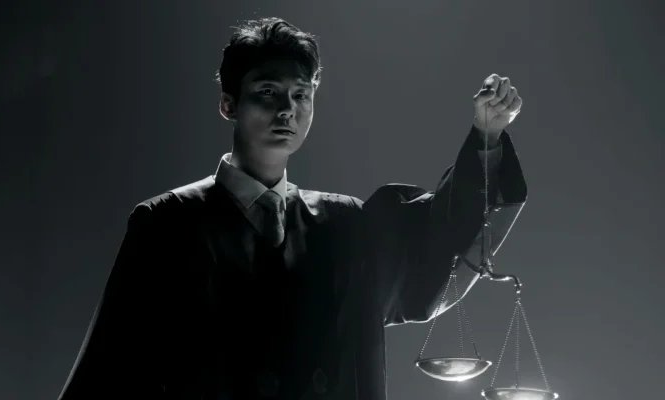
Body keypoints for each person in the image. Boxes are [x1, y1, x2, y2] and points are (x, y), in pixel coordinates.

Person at [57, 17, 528, 400]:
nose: (287, 109)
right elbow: (110, 373)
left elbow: (435, 248)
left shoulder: (345, 226)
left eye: (301, 95)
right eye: (268, 91)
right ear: (228, 104)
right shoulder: (168, 224)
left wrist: (485, 137)